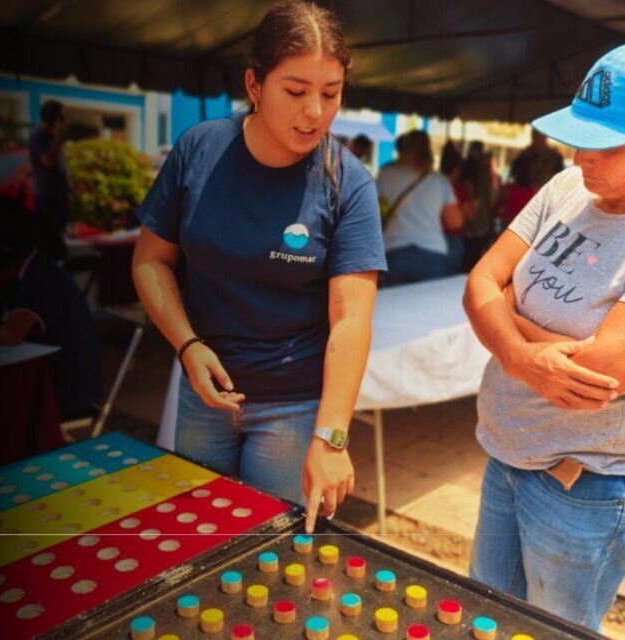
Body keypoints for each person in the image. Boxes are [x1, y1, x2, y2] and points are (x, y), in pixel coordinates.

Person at [464, 41, 625, 631]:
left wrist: (502, 323)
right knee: (484, 616)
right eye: (578, 137)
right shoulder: (567, 188)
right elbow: (479, 280)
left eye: (604, 144)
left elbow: (596, 374)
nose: (580, 157)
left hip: (588, 486)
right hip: (506, 454)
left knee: (553, 627)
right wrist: (527, 352)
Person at [131, 0, 386, 534]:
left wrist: (330, 437)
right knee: (198, 539)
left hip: (293, 409)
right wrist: (187, 345)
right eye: (295, 91)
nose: (315, 111)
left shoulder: (349, 182)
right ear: (254, 84)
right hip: (204, 396)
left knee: (270, 555)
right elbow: (151, 261)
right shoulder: (199, 150)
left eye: (331, 93)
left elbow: (351, 319)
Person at [0, 209, 103, 421]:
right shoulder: (28, 271)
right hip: (54, 382)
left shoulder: (40, 277)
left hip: (68, 393)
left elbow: (10, 334)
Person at [378, 130, 463, 286]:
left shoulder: (386, 174)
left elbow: (376, 212)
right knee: (427, 308)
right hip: (432, 253)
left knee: (394, 307)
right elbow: (454, 222)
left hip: (394, 250)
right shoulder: (440, 180)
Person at [29, 100, 70, 231]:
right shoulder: (39, 136)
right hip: (47, 197)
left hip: (60, 195)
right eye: (61, 117)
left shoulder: (53, 136)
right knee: (49, 234)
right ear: (50, 117)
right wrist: (59, 139)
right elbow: (48, 162)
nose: (64, 121)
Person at [460, 140, 497, 271]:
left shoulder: (468, 166)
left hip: (471, 220)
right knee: (474, 257)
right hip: (480, 220)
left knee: (468, 256)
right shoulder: (481, 169)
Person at [440, 141, 476, 273]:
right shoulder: (458, 188)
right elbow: (471, 214)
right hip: (452, 240)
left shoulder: (433, 183)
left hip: (429, 241)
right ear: (457, 169)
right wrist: (470, 194)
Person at [496, 151, 537, 228]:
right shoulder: (535, 192)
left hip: (507, 227)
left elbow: (497, 209)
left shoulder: (507, 189)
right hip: (525, 230)